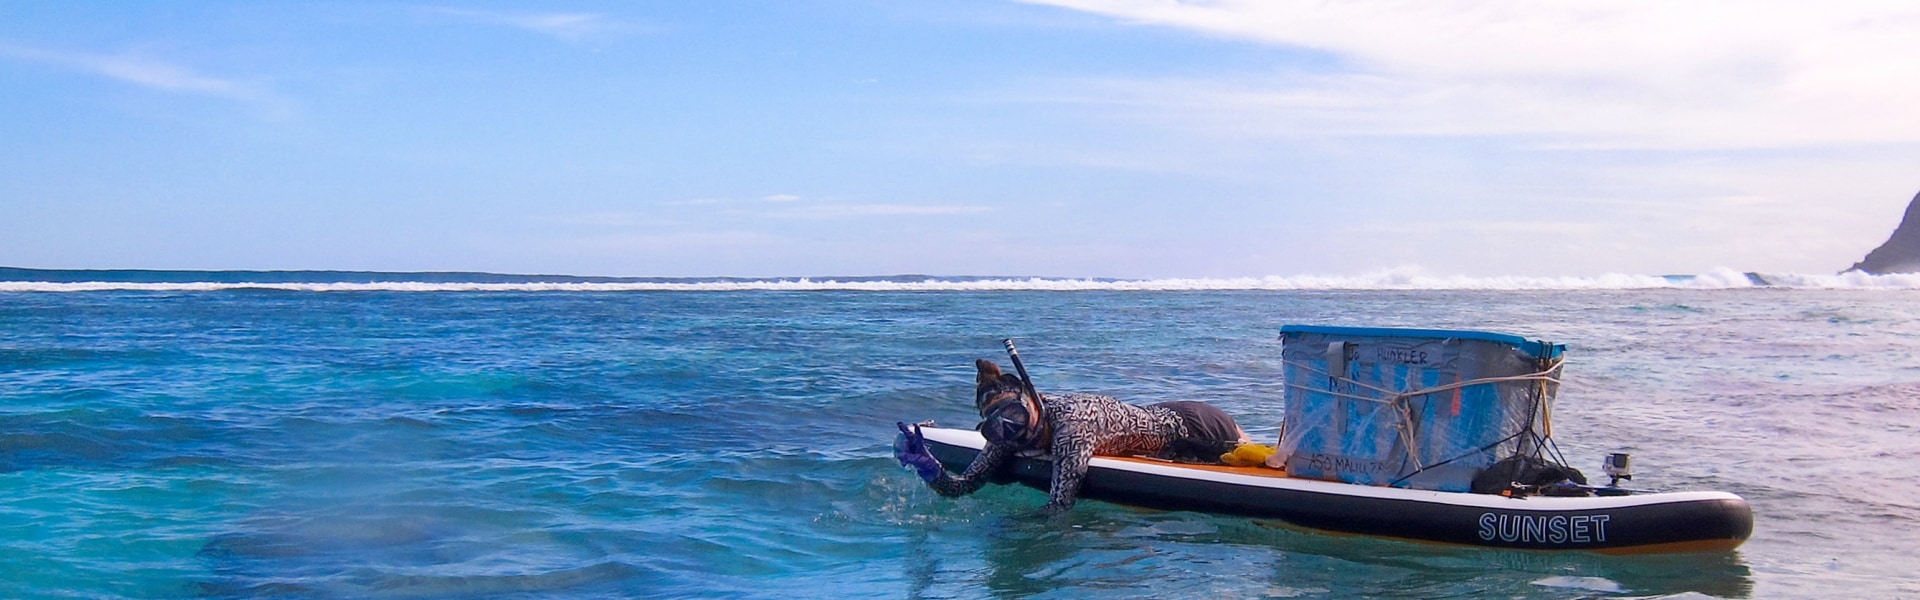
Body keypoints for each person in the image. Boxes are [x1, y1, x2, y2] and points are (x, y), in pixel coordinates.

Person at [895, 358, 1249, 514]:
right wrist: (931, 471)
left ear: (1032, 401)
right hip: (1162, 421)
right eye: (997, 426)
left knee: (1258, 459)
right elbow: (962, 487)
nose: (1011, 432)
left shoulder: (1071, 426)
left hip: (1195, 425)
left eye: (1015, 417)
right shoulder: (1007, 432)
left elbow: (1060, 506)